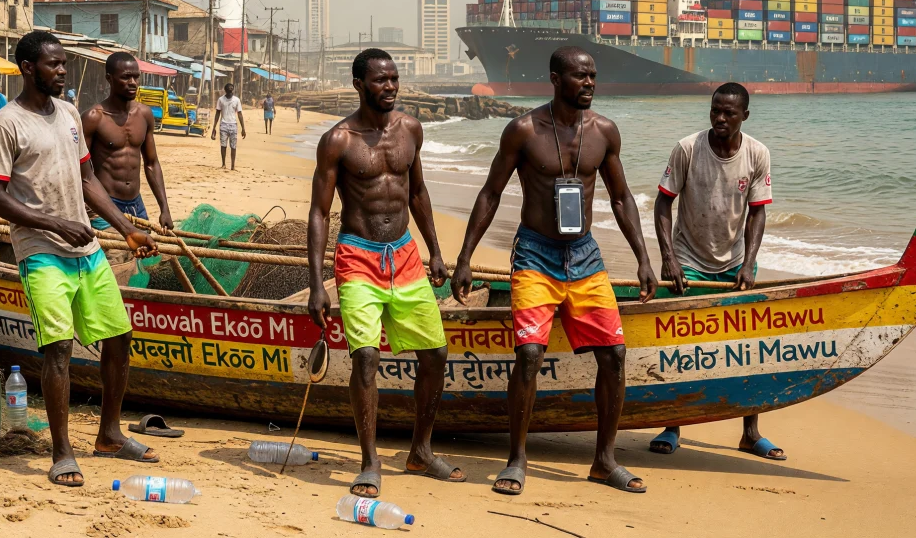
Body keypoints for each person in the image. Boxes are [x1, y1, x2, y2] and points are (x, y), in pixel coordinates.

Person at [451, 47, 658, 496]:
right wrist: (465, 256)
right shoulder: (523, 130)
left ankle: (604, 461)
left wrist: (643, 258)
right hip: (535, 255)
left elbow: (621, 199)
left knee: (615, 356)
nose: (589, 83)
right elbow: (490, 193)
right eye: (580, 76)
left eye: (593, 77)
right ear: (555, 78)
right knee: (528, 354)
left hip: (584, 255)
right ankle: (517, 458)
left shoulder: (604, 131)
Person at [0, 30, 158, 488]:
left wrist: (127, 228)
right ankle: (62, 452)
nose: (61, 71)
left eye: (63, 64)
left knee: (118, 338)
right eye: (53, 65)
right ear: (28, 69)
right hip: (41, 252)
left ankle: (110, 435)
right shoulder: (6, 123)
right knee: (57, 347)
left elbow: (87, 180)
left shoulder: (68, 114)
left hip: (87, 249)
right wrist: (54, 224)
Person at [306, 48, 464, 498]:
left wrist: (436, 250)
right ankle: (370, 462)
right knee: (366, 358)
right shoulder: (338, 140)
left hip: (406, 254)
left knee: (434, 354)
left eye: (394, 78)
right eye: (380, 80)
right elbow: (319, 213)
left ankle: (421, 450)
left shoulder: (411, 129)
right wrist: (317, 282)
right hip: (357, 256)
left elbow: (418, 192)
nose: (390, 87)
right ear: (359, 84)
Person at [648, 82, 780, 461]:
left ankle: (750, 433)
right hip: (688, 258)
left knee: (750, 345)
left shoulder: (757, 153)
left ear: (745, 116)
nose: (720, 119)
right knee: (676, 343)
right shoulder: (688, 148)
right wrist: (669, 257)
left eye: (729, 113)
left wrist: (748, 263)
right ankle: (672, 426)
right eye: (715, 111)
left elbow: (758, 212)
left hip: (735, 260)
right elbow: (663, 203)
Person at [82, 52, 174, 237]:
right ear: (109, 78)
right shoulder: (94, 118)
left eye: (136, 77)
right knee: (119, 258)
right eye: (125, 77)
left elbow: (151, 163)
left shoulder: (144, 114)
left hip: (136, 205)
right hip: (104, 206)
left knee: (145, 257)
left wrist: (164, 208)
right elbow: (81, 171)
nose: (133, 82)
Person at [210, 83, 246, 170]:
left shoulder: (236, 100)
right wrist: (214, 127)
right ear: (226, 90)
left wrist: (243, 128)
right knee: (223, 145)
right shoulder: (221, 100)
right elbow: (217, 113)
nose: (230, 89)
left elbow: (240, 114)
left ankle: (233, 166)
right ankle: (223, 164)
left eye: (232, 88)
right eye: (229, 88)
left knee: (233, 146)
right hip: (223, 125)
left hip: (233, 125)